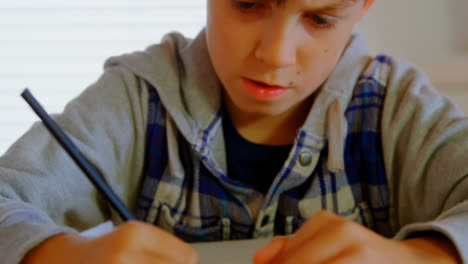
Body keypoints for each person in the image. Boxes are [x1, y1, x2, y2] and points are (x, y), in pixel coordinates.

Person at [0, 0, 466, 263]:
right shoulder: (136, 98)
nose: (277, 55)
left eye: (320, 18)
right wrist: (58, 256)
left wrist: (424, 258)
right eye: (248, 3)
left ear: (363, 6)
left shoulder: (397, 106)